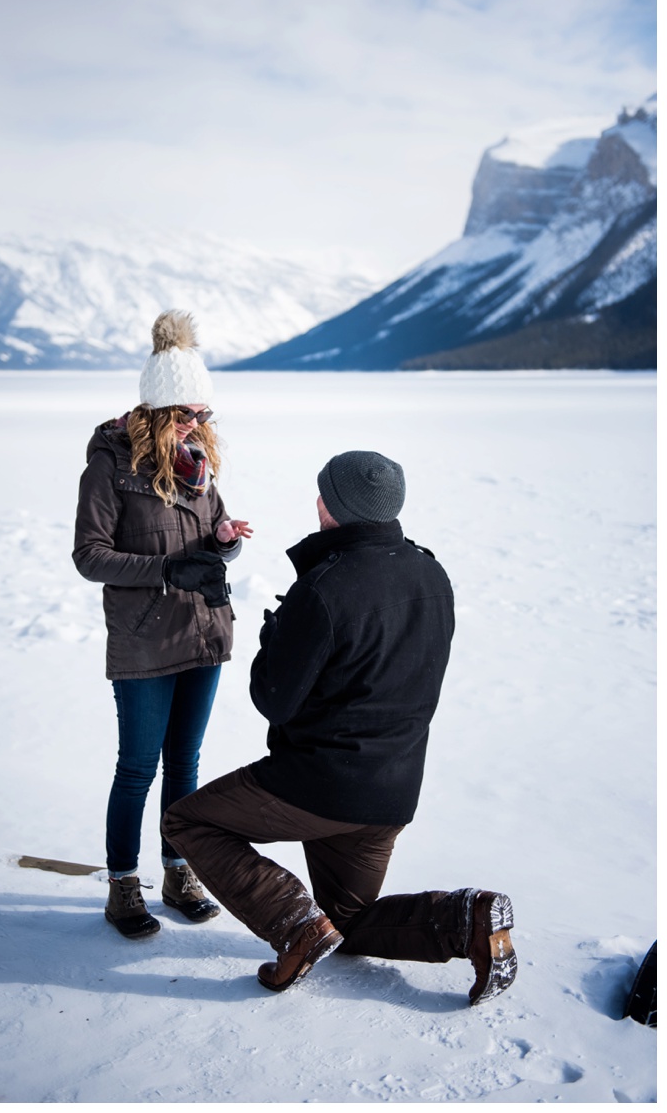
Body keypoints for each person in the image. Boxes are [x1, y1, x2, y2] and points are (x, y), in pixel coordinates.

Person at [163, 451, 517, 1005]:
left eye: (322, 493)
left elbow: (273, 700)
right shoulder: (432, 573)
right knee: (347, 923)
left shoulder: (326, 587)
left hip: (317, 784)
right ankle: (467, 920)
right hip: (392, 793)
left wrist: (275, 637)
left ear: (331, 507)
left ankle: (293, 925)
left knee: (188, 822)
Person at [73, 310, 252, 940]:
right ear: (152, 409)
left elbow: (208, 543)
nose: (196, 425)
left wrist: (224, 539)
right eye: (183, 413)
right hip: (146, 638)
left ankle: (180, 873)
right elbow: (90, 556)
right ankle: (123, 886)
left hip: (202, 633)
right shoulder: (110, 466)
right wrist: (167, 570)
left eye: (202, 414)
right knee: (138, 769)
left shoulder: (200, 466)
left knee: (186, 766)